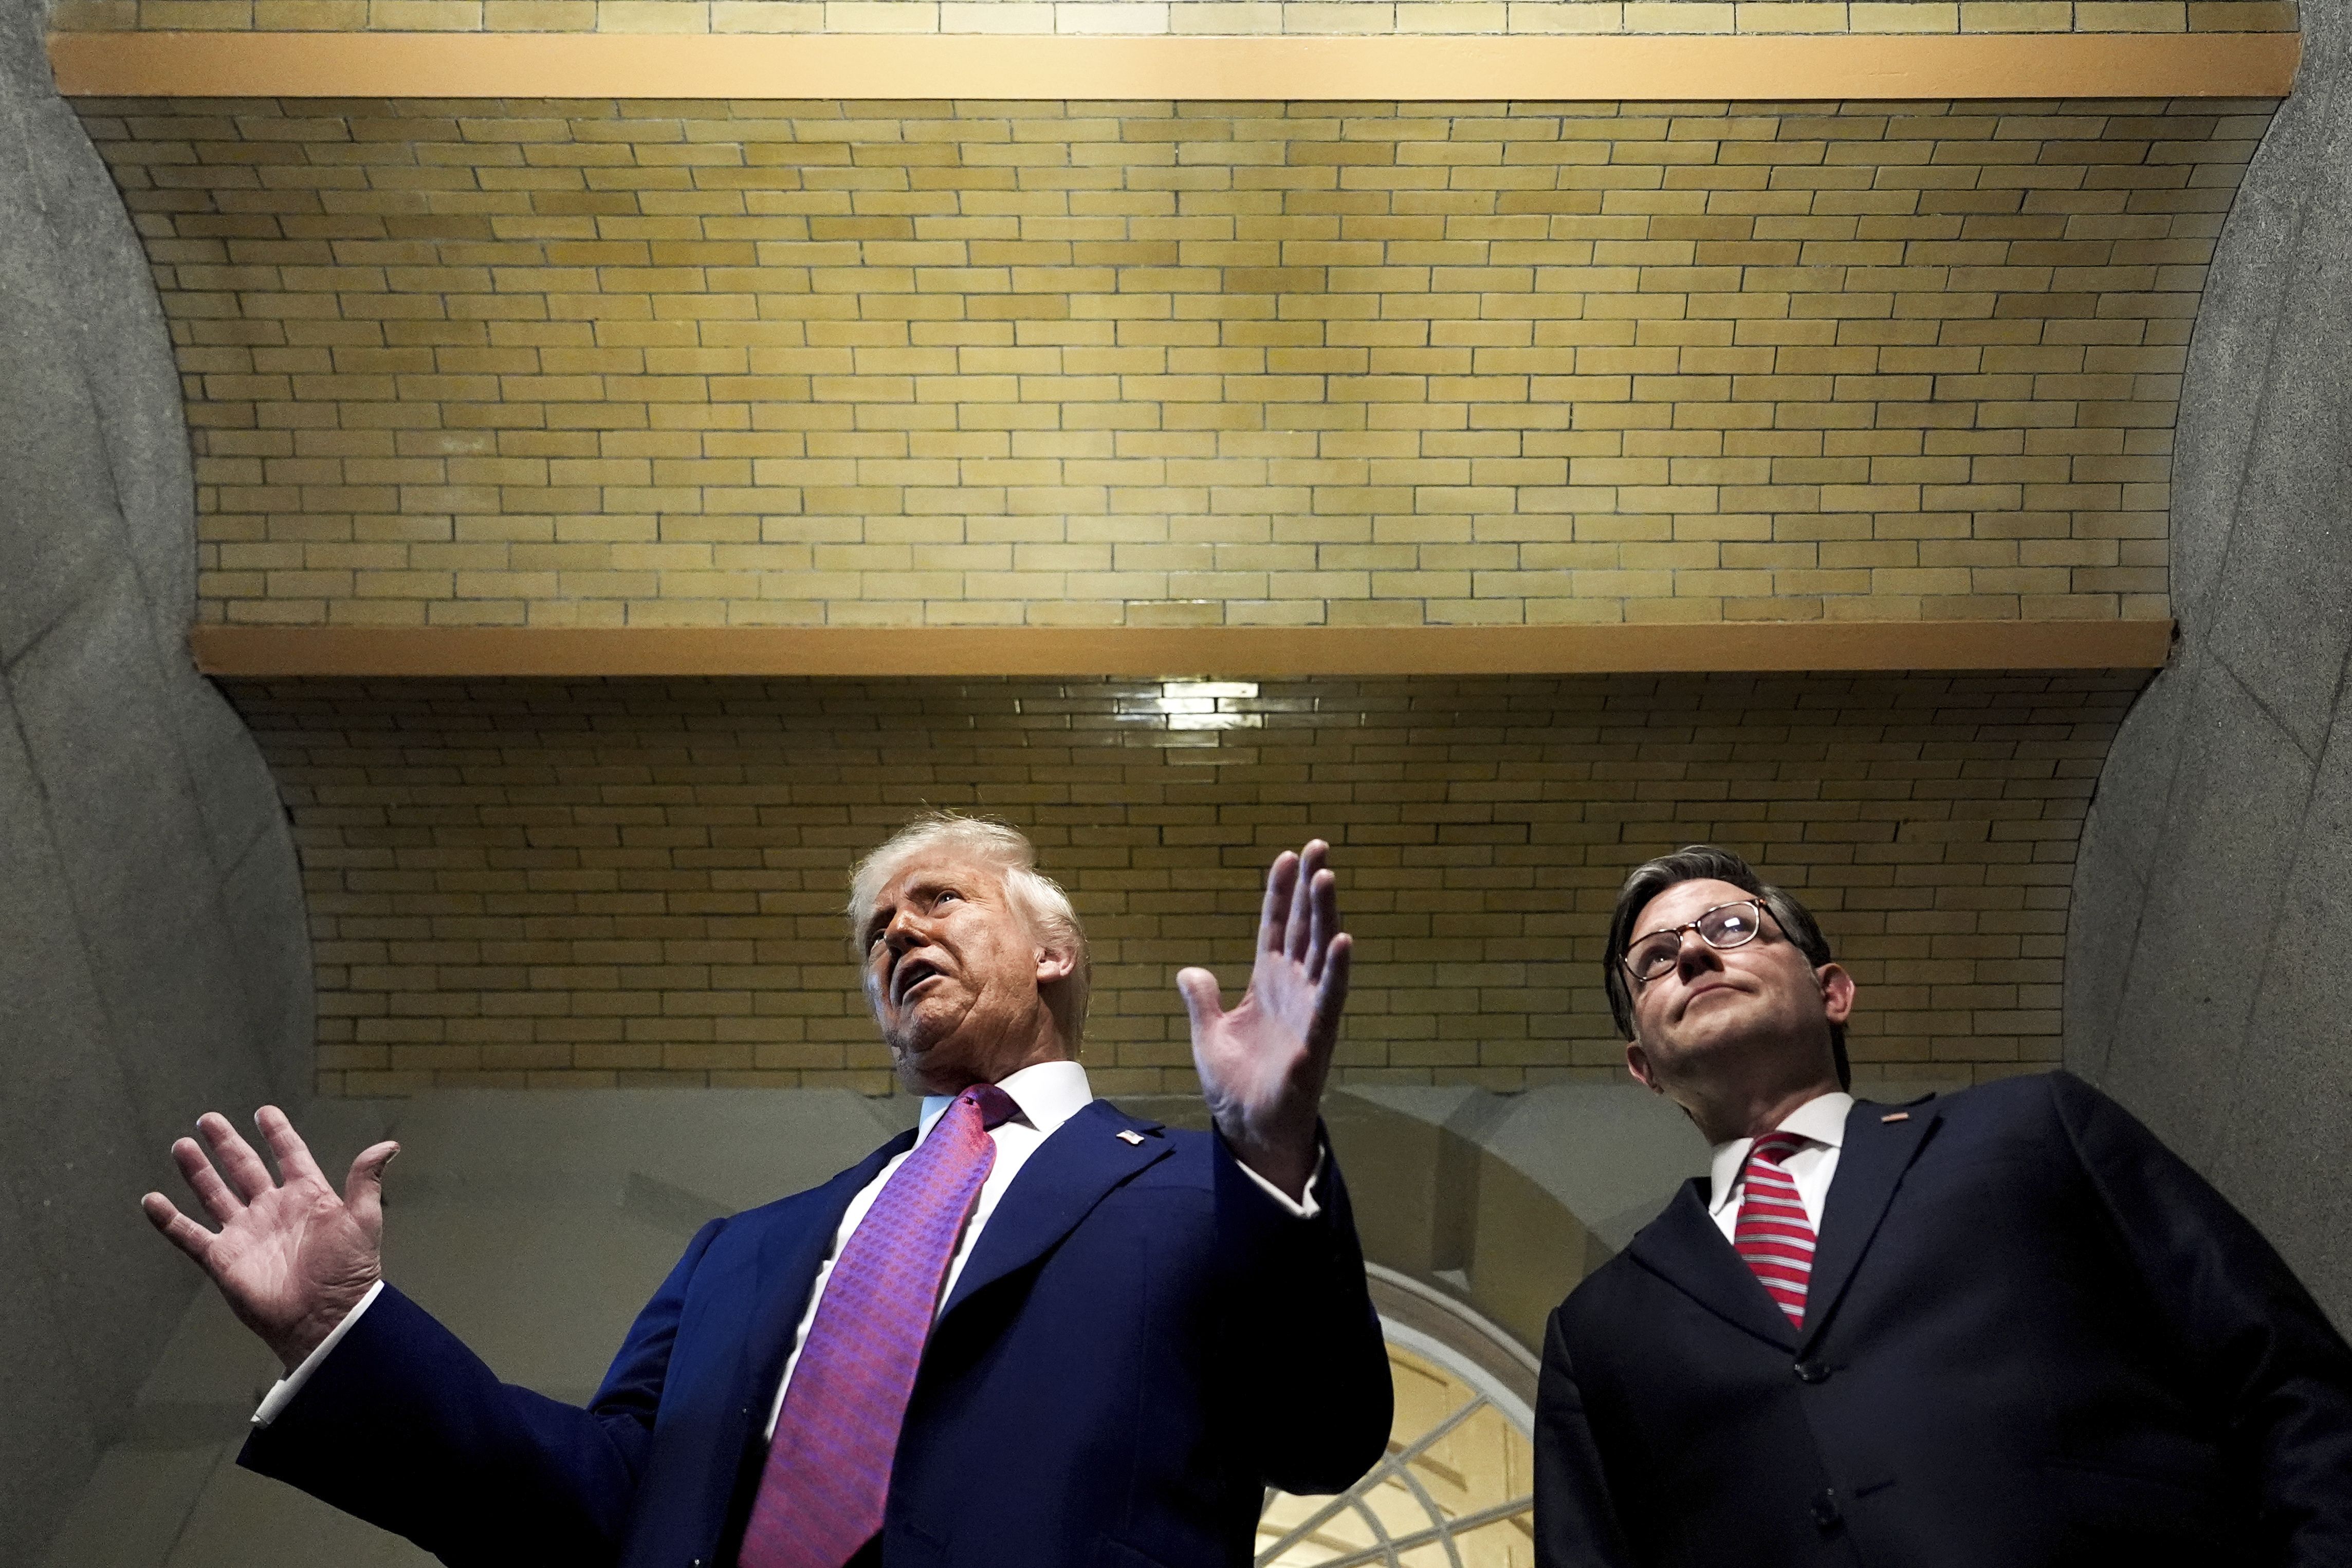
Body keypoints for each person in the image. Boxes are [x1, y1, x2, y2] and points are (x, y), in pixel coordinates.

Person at [144, 816, 1392, 1568]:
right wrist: (347, 1335)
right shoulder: (741, 1252)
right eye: (876, 934)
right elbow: (600, 1507)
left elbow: (1321, 1434)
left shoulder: (1194, 1186)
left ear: (1054, 950)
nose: (899, 933)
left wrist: (1271, 1151)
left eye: (938, 899)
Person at [1533, 843, 2352, 1568]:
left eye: (1732, 928)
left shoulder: (2039, 1127)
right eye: (1656, 959)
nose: (1694, 958)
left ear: (1833, 992)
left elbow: (2287, 1378)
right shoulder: (1597, 1332)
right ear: (1643, 1066)